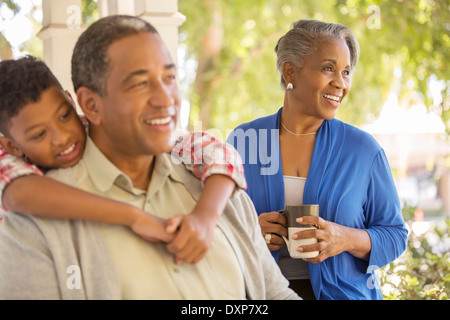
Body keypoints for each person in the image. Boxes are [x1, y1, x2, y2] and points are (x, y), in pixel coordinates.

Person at [0, 15, 299, 300]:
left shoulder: (216, 185)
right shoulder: (31, 225)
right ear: (90, 104)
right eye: (140, 83)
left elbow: (274, 294)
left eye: (169, 76)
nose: (166, 98)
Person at [0, 55, 247, 265]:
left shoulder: (99, 129)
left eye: (64, 115)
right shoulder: (10, 164)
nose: (61, 137)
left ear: (71, 99)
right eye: (39, 134)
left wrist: (205, 217)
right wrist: (135, 217)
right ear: (11, 145)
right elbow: (19, 193)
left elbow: (216, 152)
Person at [227, 19, 408, 300]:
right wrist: (250, 230)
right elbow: (215, 226)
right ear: (291, 72)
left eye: (346, 72)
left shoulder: (363, 150)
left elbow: (395, 235)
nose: (341, 83)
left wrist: (344, 238)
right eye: (328, 68)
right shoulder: (243, 141)